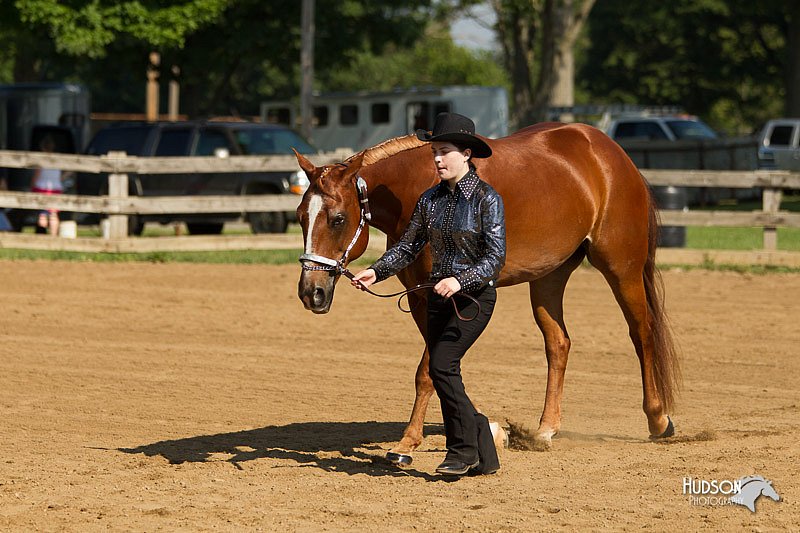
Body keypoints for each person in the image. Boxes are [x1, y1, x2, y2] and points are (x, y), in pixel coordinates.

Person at [351, 112, 506, 477]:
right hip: (437, 299)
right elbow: (408, 246)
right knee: (447, 372)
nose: (437, 159)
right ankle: (480, 434)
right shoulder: (430, 200)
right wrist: (378, 270)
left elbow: (496, 256)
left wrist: (461, 279)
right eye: (434, 151)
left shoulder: (487, 200)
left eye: (445, 152)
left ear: (466, 154)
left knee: (441, 366)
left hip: (473, 300)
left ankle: (461, 451)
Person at [30, 134, 64, 236]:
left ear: (42, 146)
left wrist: (31, 185)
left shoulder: (41, 159)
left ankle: (42, 235)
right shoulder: (58, 158)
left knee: (43, 214)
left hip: (42, 188)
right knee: (53, 214)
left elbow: (36, 175)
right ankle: (53, 236)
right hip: (56, 188)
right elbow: (64, 173)